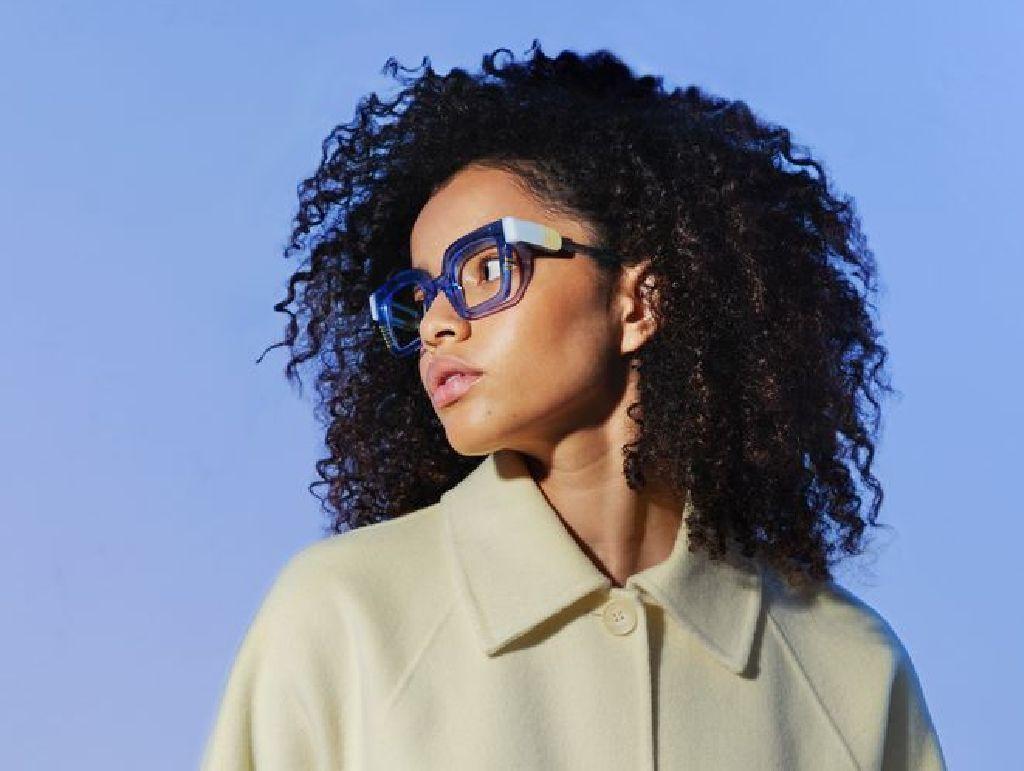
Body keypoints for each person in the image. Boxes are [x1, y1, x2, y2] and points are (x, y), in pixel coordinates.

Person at [200, 41, 946, 770]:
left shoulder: (849, 670)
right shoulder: (343, 618)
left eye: (486, 267)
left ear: (638, 302)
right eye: (421, 296)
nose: (436, 324)